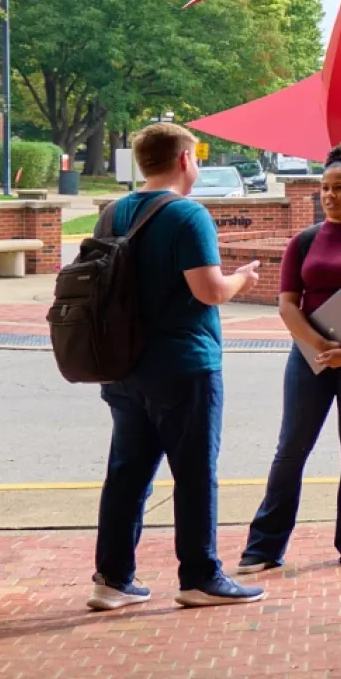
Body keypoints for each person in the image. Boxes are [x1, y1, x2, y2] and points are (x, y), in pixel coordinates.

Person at [90, 123, 266, 610]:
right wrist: (241, 279)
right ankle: (199, 576)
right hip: (184, 363)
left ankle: (112, 578)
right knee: (194, 472)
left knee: (127, 472)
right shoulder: (188, 215)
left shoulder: (112, 214)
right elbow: (208, 290)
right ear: (186, 159)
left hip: (122, 363)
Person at [239, 143, 341, 572]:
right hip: (309, 354)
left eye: (338, 188)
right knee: (291, 447)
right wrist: (318, 345)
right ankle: (264, 546)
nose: (329, 195)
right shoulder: (304, 242)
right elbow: (287, 304)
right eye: (324, 188)